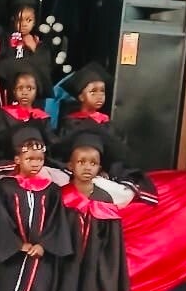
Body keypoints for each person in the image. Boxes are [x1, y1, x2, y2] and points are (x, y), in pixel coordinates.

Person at [49, 130, 130, 291]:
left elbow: (112, 238)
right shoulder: (61, 196)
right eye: (81, 162)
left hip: (93, 259)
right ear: (70, 165)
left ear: (99, 168)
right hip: (65, 258)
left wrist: (107, 263)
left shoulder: (104, 198)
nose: (87, 167)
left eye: (93, 163)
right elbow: (51, 229)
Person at [0, 126, 72, 291]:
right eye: (30, 159)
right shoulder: (5, 187)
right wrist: (18, 244)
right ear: (18, 160)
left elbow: (56, 221)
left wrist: (44, 245)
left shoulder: (51, 190)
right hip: (12, 250)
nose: (35, 163)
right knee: (3, 287)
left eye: (39, 159)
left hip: (39, 252)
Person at [56, 62, 157, 203]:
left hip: (103, 174)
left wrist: (106, 171)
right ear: (81, 97)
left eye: (102, 91)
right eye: (93, 92)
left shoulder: (106, 123)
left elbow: (117, 154)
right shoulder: (71, 123)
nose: (99, 96)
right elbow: (60, 154)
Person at [0, 57, 53, 170]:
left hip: (36, 164)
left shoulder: (42, 117)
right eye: (20, 88)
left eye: (30, 88)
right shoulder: (4, 114)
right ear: (14, 91)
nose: (24, 92)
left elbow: (50, 144)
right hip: (9, 162)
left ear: (36, 91)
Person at [6, 0, 52, 65]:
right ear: (13, 20)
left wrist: (33, 47)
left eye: (29, 20)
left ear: (34, 22)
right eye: (19, 20)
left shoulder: (38, 43)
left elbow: (44, 65)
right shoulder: (5, 39)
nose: (24, 24)